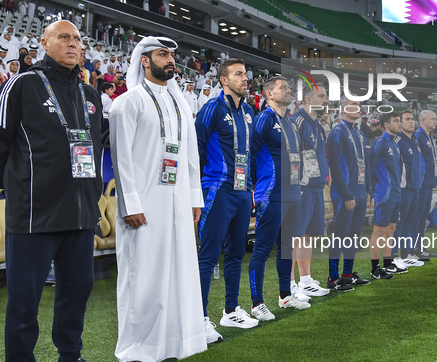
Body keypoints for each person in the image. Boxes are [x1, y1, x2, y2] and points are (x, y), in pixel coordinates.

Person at [0, 20, 102, 362]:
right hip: (35, 213)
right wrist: (21, 188)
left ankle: (71, 355)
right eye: (64, 37)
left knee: (77, 292)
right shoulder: (21, 85)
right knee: (24, 299)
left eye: (78, 39)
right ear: (44, 42)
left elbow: (94, 148)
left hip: (81, 213)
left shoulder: (90, 94)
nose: (73, 44)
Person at [109, 36, 206, 361]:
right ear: (145, 61)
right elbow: (120, 159)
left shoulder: (180, 104)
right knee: (144, 278)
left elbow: (191, 157)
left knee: (180, 275)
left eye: (172, 55)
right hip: (145, 206)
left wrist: (195, 198)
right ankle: (138, 348)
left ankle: (177, 342)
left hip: (178, 205)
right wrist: (130, 205)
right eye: (163, 54)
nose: (170, 60)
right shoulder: (128, 102)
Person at [195, 58, 258, 340]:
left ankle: (231, 311)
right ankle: (199, 318)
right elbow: (194, 148)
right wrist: (194, 192)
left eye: (245, 74)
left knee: (235, 254)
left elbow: (250, 152)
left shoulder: (249, 111)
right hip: (217, 189)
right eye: (238, 74)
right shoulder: (211, 109)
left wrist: (252, 186)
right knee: (208, 256)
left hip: (243, 191)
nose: (245, 78)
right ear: (223, 79)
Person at [248, 77, 309, 322]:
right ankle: (257, 303)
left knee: (287, 248)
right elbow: (251, 154)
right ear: (269, 94)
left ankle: (285, 295)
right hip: (271, 193)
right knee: (262, 249)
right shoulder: (264, 118)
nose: (288, 90)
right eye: (283, 87)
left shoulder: (291, 122)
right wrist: (255, 188)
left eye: (288, 86)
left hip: (293, 193)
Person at [327, 96, 372, 292]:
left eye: (359, 106)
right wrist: (346, 194)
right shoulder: (337, 131)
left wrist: (368, 190)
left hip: (360, 192)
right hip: (344, 194)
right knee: (340, 236)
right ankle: (333, 277)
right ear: (343, 109)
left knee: (353, 236)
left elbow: (365, 163)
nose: (357, 108)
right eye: (353, 105)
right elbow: (335, 166)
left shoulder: (359, 133)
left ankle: (347, 274)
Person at [290, 83, 331, 297]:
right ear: (307, 99)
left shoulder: (317, 124)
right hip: (302, 188)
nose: (325, 100)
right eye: (321, 96)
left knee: (308, 236)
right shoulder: (298, 121)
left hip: (316, 188)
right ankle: (289, 286)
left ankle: (305, 281)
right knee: (294, 236)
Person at [368, 112, 406, 279]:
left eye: (399, 121)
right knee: (379, 231)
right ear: (386, 125)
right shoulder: (379, 142)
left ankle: (388, 263)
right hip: (383, 194)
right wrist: (371, 191)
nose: (400, 124)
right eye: (396, 121)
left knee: (391, 230)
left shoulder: (395, 144)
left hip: (396, 194)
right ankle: (375, 269)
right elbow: (370, 167)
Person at [394, 110, 423, 266]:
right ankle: (393, 257)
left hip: (415, 188)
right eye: (407, 119)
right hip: (403, 188)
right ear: (400, 123)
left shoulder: (415, 141)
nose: (411, 122)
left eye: (412, 119)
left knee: (408, 223)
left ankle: (405, 255)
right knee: (398, 223)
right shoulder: (398, 140)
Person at [412, 110, 437, 259]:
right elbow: (417, 162)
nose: (435, 121)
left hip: (428, 182)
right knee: (417, 216)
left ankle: (420, 247)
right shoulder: (418, 136)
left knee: (422, 216)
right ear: (423, 120)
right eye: (433, 119)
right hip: (421, 183)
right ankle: (414, 248)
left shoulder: (429, 137)